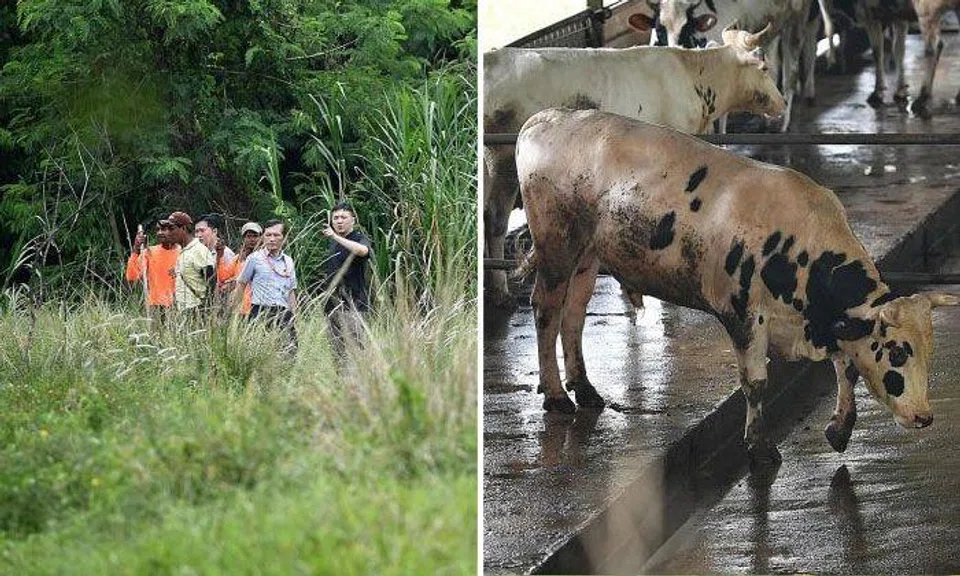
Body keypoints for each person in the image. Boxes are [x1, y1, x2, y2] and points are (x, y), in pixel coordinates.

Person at [234, 219, 298, 349]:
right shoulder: (255, 259)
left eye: (276, 235)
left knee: (290, 353)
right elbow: (241, 284)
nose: (272, 239)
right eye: (268, 235)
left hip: (283, 312)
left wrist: (295, 316)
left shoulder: (289, 261)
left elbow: (291, 291)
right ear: (263, 237)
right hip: (260, 311)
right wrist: (235, 312)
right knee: (259, 352)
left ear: (284, 238)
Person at [322, 201, 372, 357]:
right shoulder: (332, 243)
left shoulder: (358, 238)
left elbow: (362, 251)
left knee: (356, 352)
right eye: (335, 218)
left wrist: (336, 237)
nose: (339, 221)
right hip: (332, 307)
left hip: (354, 306)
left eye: (343, 217)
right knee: (338, 355)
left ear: (353, 220)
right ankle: (341, 382)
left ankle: (360, 381)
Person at [125, 219, 180, 317]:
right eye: (158, 230)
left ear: (174, 230)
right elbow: (132, 276)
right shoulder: (149, 252)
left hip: (179, 305)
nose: (159, 233)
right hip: (156, 307)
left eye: (163, 229)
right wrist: (136, 250)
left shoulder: (184, 252)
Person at [165, 211, 215, 314]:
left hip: (197, 310)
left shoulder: (199, 250)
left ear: (183, 228)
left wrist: (207, 310)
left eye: (171, 229)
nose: (168, 233)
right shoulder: (183, 250)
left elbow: (211, 282)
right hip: (184, 310)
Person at [218, 221, 262, 317]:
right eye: (249, 236)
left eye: (255, 236)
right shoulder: (238, 259)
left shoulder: (265, 258)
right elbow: (223, 276)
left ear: (260, 238)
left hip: (259, 308)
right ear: (244, 239)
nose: (252, 239)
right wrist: (219, 255)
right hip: (240, 309)